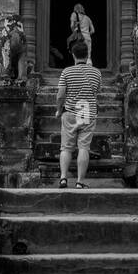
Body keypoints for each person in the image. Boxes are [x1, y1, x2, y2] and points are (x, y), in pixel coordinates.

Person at [56, 38, 102, 188]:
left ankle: (63, 178)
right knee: (84, 148)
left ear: (73, 55)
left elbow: (60, 95)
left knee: (66, 147)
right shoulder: (96, 73)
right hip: (87, 112)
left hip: (70, 111)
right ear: (87, 54)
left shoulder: (67, 72)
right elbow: (96, 92)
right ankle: (79, 182)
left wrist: (58, 109)